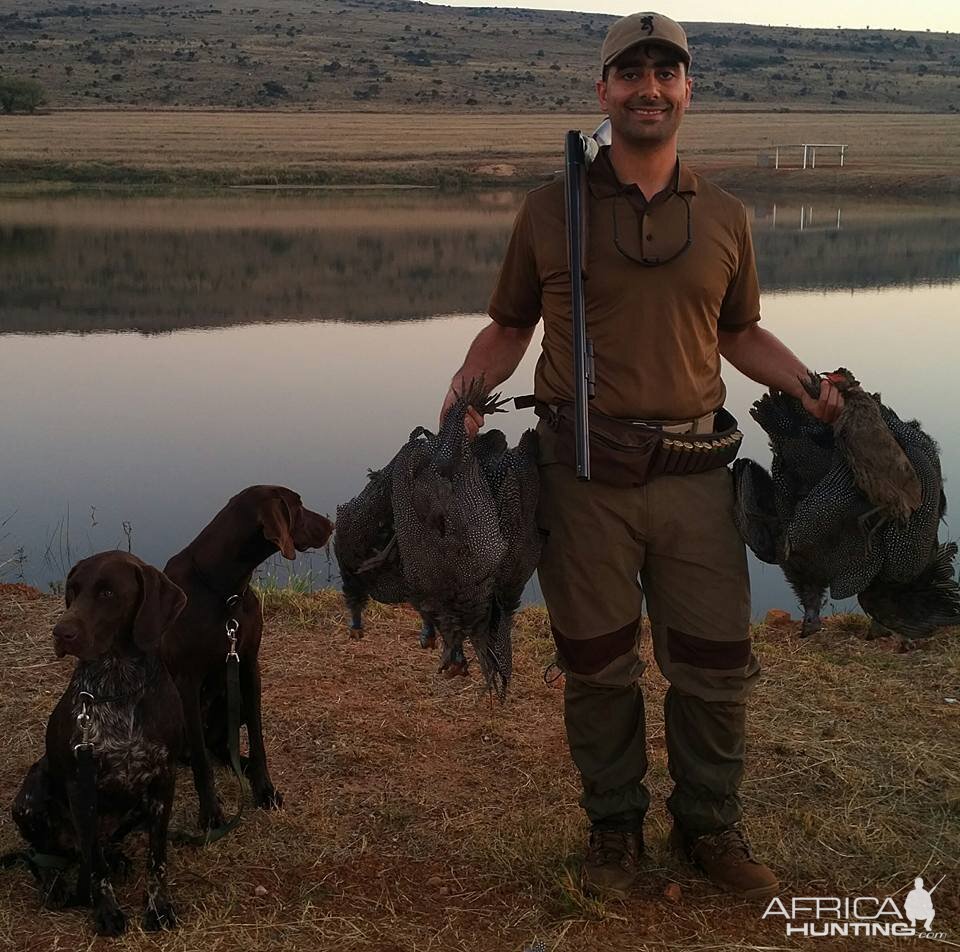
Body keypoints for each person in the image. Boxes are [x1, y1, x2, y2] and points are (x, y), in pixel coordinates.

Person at [439, 11, 843, 900]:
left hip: (699, 478)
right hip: (582, 480)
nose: (649, 88)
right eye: (632, 73)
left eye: (667, 72)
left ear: (688, 90)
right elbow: (510, 326)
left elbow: (738, 333)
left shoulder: (727, 216)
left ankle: (710, 827)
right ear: (604, 91)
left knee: (712, 662)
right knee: (598, 661)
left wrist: (811, 385)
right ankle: (614, 831)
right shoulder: (549, 211)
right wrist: (467, 389)